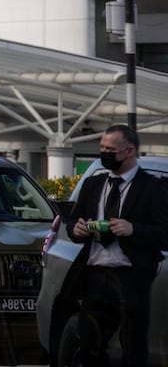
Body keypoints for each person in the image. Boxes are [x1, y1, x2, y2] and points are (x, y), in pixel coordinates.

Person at [66, 124, 168, 367]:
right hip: (95, 274)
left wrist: (134, 230)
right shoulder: (94, 184)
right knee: (89, 343)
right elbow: (72, 220)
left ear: (129, 151)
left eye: (110, 149)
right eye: (102, 147)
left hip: (131, 276)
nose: (104, 153)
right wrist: (77, 229)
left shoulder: (153, 188)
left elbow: (165, 232)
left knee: (133, 345)